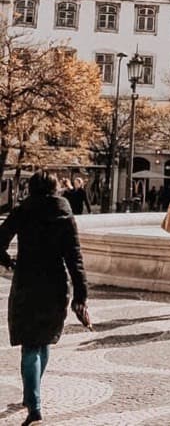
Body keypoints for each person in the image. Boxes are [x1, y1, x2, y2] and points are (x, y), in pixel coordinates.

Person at [0, 170, 89, 426]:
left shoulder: (23, 210)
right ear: (55, 188)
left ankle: (34, 406)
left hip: (28, 281)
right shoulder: (64, 212)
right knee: (45, 341)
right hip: (55, 283)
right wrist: (81, 294)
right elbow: (75, 257)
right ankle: (33, 395)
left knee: (30, 344)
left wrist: (9, 262)